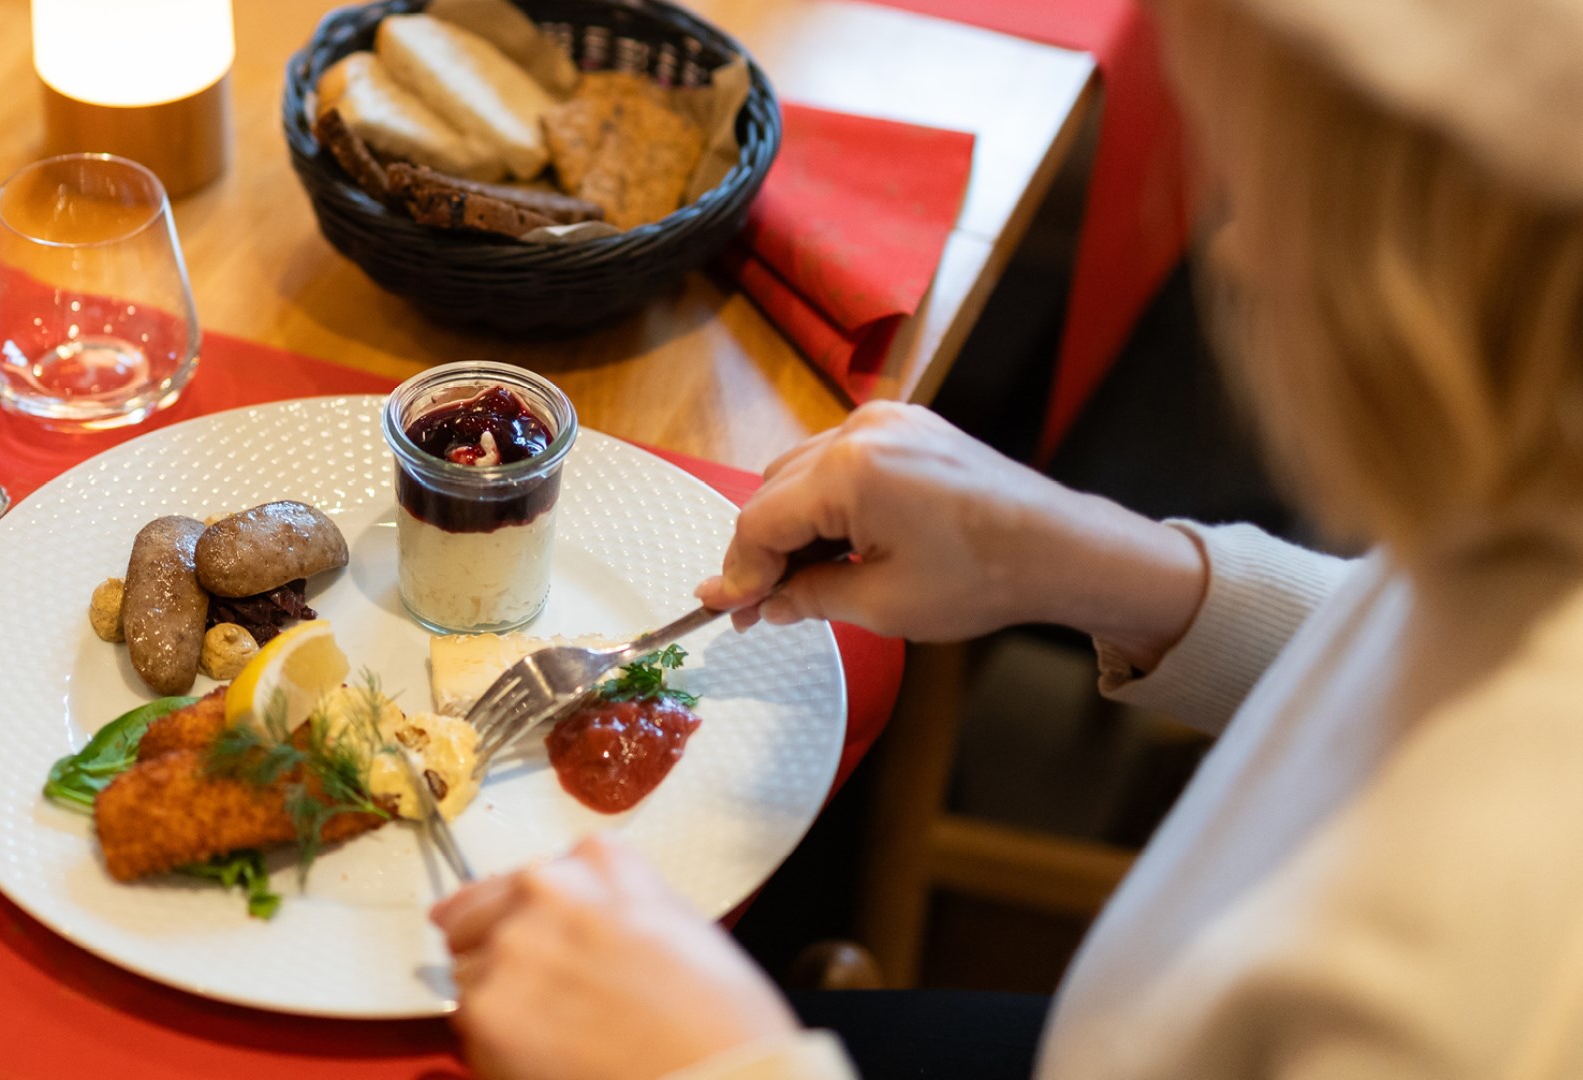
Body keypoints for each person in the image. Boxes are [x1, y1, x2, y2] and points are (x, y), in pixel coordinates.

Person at [430, 0, 1583, 1074]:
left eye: (1289, 188)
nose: (1239, 255)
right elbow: (1427, 646)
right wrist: (1101, 561)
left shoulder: (1491, 995)